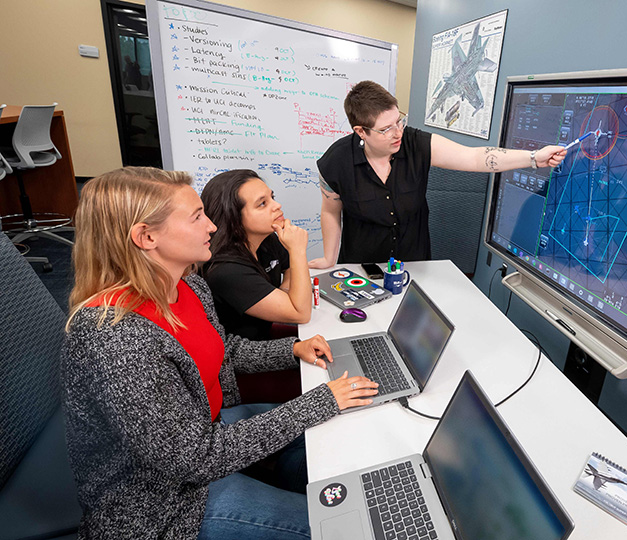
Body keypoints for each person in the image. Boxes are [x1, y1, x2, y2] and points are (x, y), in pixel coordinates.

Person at [61, 167, 379, 539]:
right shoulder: (116, 338)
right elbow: (194, 459)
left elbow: (223, 350)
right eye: (197, 217)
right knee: (341, 528)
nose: (212, 227)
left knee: (332, 435)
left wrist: (292, 348)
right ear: (146, 236)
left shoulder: (189, 286)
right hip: (166, 503)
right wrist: (319, 402)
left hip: (210, 431)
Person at [309, 80, 567, 268]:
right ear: (361, 131)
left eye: (399, 120)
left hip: (413, 266)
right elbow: (331, 211)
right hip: (361, 268)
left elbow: (474, 157)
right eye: (386, 129)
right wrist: (329, 258)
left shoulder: (415, 143)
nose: (398, 132)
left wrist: (533, 158)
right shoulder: (336, 162)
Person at [200, 169, 311, 340]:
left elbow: (289, 268)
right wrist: (298, 250)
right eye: (262, 204)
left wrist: (285, 294)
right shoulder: (226, 271)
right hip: (246, 355)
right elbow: (301, 313)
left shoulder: (266, 238)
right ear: (234, 219)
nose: (277, 206)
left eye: (272, 197)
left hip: (266, 333)